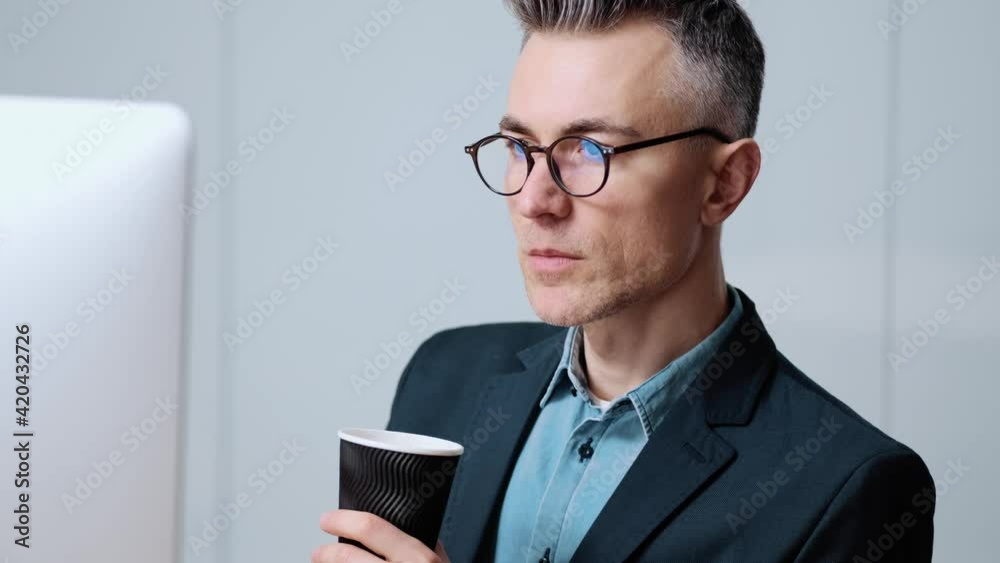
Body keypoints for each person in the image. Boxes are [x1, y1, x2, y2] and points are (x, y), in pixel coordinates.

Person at [313, 1, 935, 561]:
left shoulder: (848, 487)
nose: (535, 200)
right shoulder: (443, 376)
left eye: (589, 150)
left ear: (725, 183)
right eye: (518, 145)